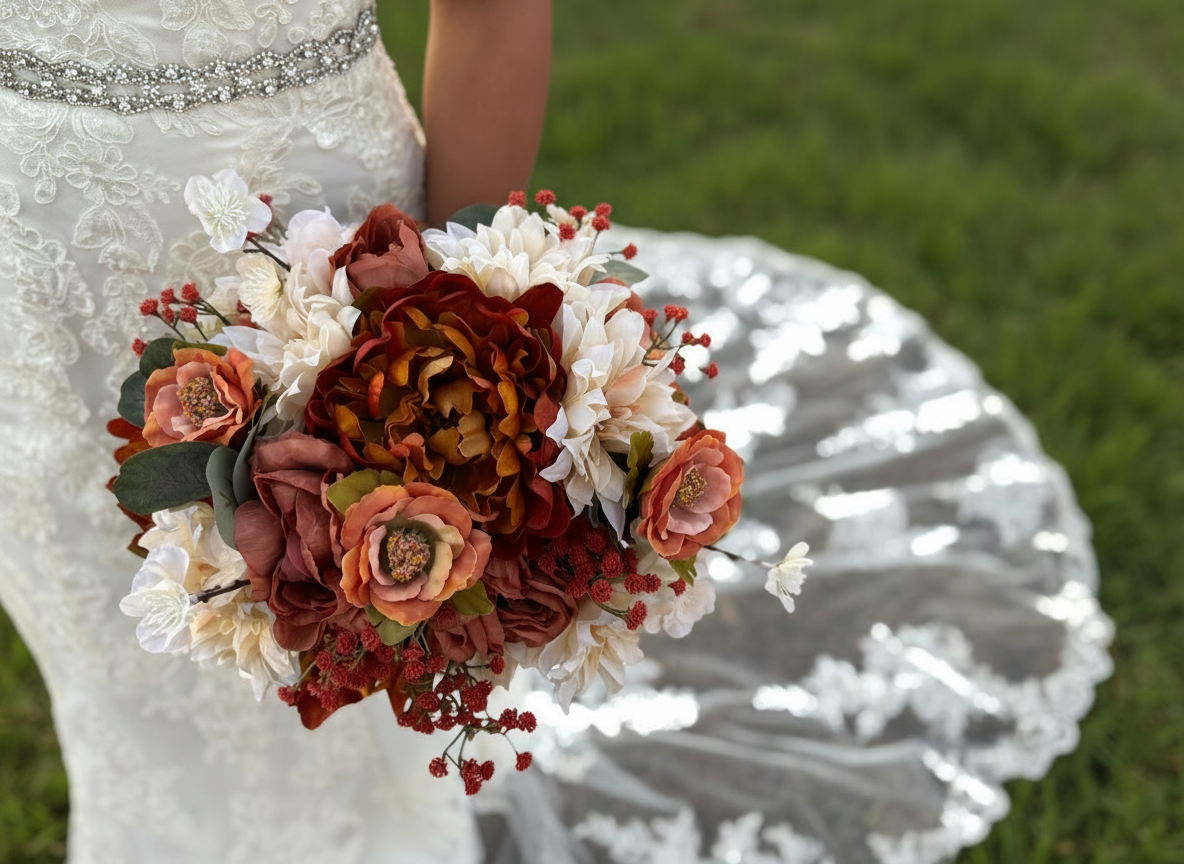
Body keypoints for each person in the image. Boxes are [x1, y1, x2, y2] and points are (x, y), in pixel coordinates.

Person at [0, 2, 1112, 862]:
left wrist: (452, 321)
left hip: (297, 231)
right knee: (107, 637)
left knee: (333, 624)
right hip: (20, 259)